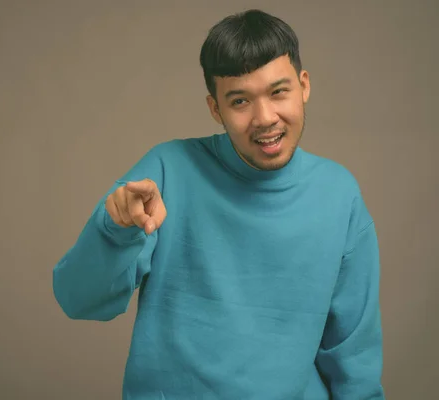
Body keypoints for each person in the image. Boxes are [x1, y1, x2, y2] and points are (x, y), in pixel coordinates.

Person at [52, 9, 385, 400]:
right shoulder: (167, 172)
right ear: (216, 109)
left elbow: (353, 356)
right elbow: (78, 299)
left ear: (304, 85)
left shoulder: (338, 194)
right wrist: (115, 228)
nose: (265, 118)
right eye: (240, 100)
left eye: (279, 92)